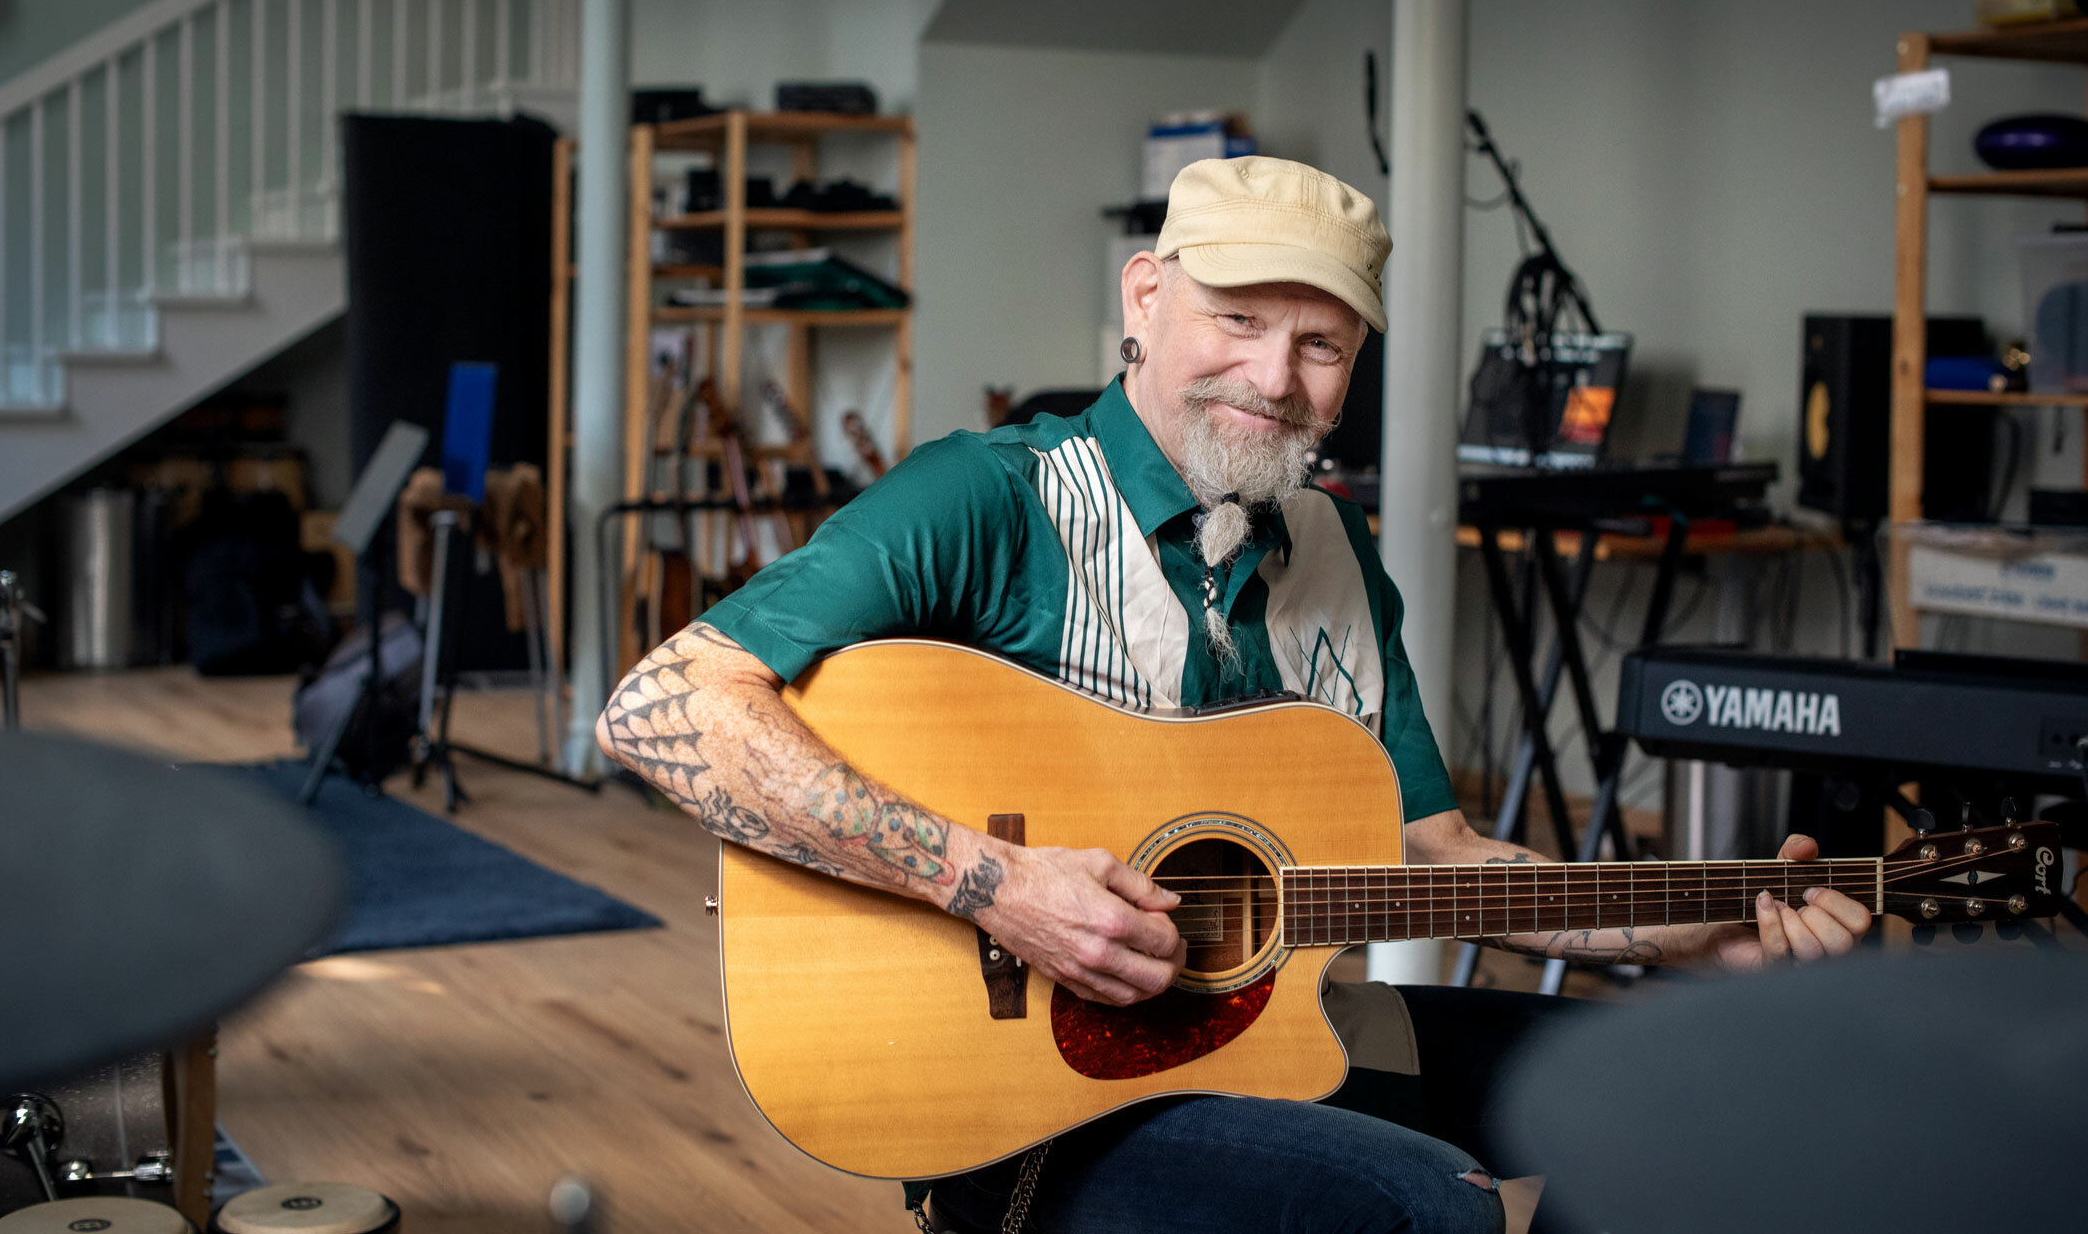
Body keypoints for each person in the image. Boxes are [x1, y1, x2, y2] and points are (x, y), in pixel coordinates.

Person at [596, 157, 1870, 1233]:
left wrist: (1690, 930)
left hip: (1285, 1029)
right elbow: (663, 703)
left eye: (1321, 342)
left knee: (1681, 1093)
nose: (1276, 377)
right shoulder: (988, 499)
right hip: (1037, 1102)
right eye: (1240, 320)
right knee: (1438, 1204)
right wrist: (993, 882)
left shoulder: (1338, 554)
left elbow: (1440, 852)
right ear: (1144, 299)